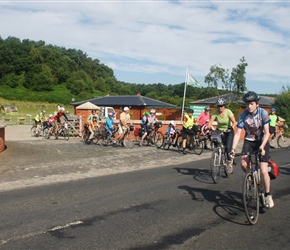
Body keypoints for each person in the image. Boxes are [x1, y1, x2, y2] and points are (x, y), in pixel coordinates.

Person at [230, 91, 274, 208]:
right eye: (247, 104)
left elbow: (267, 133)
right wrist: (233, 149)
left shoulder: (263, 113)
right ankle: (251, 178)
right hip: (249, 141)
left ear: (257, 104)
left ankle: (268, 195)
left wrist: (262, 147)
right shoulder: (243, 115)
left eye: (251, 104)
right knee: (244, 164)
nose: (249, 106)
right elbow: (238, 133)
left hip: (262, 141)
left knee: (264, 170)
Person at [207, 98, 237, 173]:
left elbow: (234, 122)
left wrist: (231, 128)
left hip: (228, 130)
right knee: (216, 142)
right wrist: (209, 129)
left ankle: (230, 163)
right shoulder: (215, 113)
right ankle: (218, 154)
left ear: (224, 106)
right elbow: (210, 122)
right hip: (220, 130)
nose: (220, 108)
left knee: (228, 148)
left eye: (221, 106)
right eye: (218, 106)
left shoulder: (228, 112)